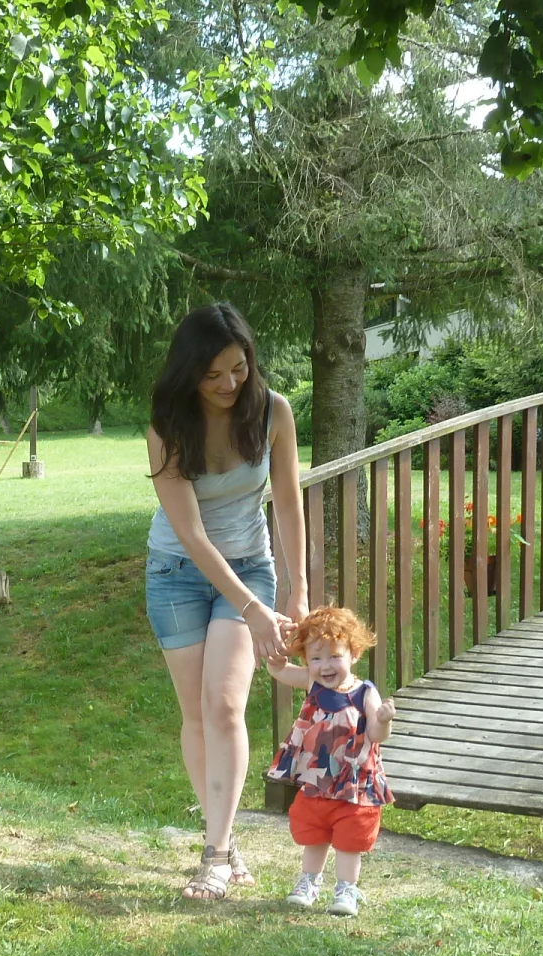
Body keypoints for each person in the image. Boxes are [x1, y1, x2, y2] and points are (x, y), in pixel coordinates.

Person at [145, 302, 308, 900]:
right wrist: (251, 608)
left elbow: (288, 502)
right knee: (195, 714)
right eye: (212, 375)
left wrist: (297, 589)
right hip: (176, 571)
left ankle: (213, 855)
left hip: (249, 565)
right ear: (189, 373)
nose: (227, 384)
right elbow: (189, 531)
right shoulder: (167, 423)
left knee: (224, 707)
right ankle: (226, 838)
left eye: (237, 369)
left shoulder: (272, 411)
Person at [264, 607, 395, 917]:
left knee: (350, 840)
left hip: (353, 786)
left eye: (335, 656)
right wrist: (276, 659)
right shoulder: (313, 684)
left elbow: (376, 734)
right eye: (316, 658)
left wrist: (384, 720)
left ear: (354, 653)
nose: (325, 666)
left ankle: (346, 889)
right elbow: (280, 672)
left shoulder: (365, 692)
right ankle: (308, 882)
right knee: (315, 833)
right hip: (318, 784)